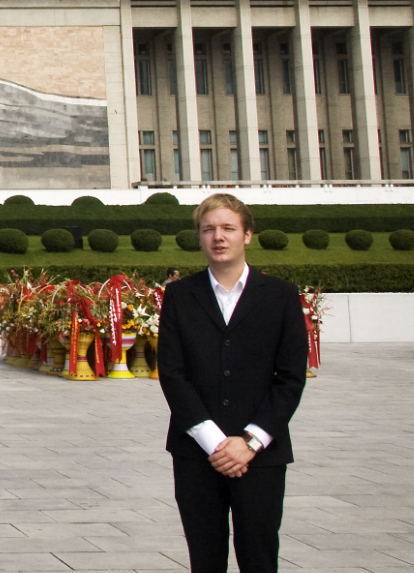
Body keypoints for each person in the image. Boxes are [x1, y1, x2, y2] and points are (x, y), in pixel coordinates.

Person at [155, 192, 308, 573]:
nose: (218, 237)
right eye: (208, 230)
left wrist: (250, 442)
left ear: (247, 235)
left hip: (261, 456)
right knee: (205, 559)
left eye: (228, 228)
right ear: (200, 238)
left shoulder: (281, 297)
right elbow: (172, 373)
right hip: (197, 454)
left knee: (259, 557)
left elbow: (290, 378)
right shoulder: (179, 296)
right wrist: (215, 443)